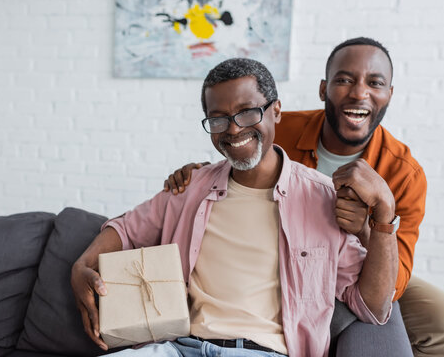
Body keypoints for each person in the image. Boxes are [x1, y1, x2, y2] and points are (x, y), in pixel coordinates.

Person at [164, 38, 444, 357]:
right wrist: (195, 175)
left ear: (389, 95)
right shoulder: (278, 129)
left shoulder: (404, 172)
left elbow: (393, 286)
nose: (359, 92)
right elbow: (232, 163)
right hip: (279, 254)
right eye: (344, 80)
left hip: (360, 265)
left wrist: (368, 230)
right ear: (323, 89)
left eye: (375, 83)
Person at [71, 58, 399, 357]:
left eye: (247, 112)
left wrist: (383, 217)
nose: (233, 128)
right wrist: (82, 265)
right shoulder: (190, 187)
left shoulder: (323, 198)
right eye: (218, 119)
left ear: (277, 111)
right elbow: (126, 229)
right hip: (178, 349)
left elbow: (373, 308)